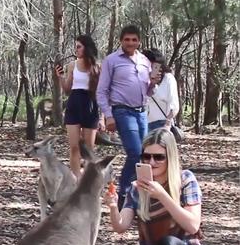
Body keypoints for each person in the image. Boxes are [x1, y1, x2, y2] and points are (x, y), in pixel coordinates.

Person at [103, 128, 210, 245]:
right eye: (146, 156)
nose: (151, 162)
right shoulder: (137, 188)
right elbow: (120, 227)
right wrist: (112, 206)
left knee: (168, 244)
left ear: (170, 157)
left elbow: (193, 225)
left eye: (158, 157)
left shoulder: (185, 180)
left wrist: (163, 195)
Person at [96, 24, 157, 210]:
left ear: (139, 41)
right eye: (127, 39)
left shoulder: (145, 61)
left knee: (145, 155)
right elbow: (101, 91)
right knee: (134, 151)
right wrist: (108, 116)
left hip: (141, 112)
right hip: (122, 111)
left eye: (134, 40)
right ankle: (122, 193)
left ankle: (140, 195)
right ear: (121, 41)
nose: (130, 43)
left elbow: (148, 90)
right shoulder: (111, 60)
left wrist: (153, 84)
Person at [55, 34, 103, 180]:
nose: (76, 49)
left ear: (86, 48)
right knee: (74, 147)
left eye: (79, 47)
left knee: (89, 148)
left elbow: (101, 92)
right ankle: (75, 178)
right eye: (75, 47)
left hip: (90, 104)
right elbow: (67, 89)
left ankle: (87, 179)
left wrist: (102, 116)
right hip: (74, 103)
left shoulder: (98, 66)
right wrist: (61, 77)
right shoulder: (72, 65)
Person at [143, 49, 180, 133]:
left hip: (162, 123)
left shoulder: (168, 79)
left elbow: (173, 103)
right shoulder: (141, 80)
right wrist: (151, 84)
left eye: (155, 65)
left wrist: (167, 124)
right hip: (144, 124)